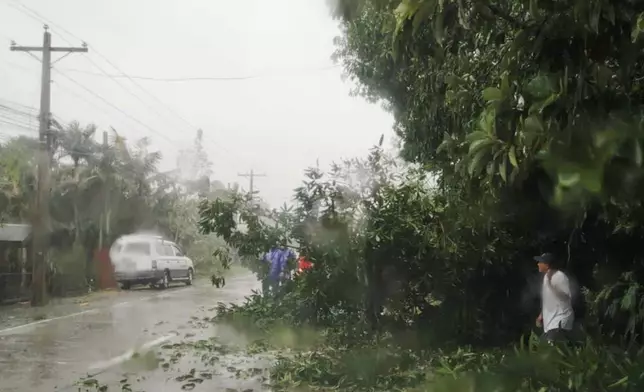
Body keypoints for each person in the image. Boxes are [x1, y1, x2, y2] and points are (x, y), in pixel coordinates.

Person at [534, 252, 575, 344]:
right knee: (544, 348)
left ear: (547, 265)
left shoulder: (559, 276)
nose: (538, 264)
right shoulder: (546, 277)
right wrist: (541, 315)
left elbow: (566, 296)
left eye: (540, 262)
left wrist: (552, 286)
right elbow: (550, 300)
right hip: (551, 323)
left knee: (551, 352)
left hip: (560, 320)